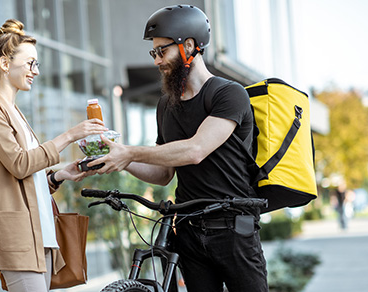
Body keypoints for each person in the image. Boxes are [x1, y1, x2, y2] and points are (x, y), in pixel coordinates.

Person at [89, 5, 268, 292]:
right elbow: (163, 173)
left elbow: (195, 150)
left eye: (163, 51)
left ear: (189, 45)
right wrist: (119, 155)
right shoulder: (166, 104)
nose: (157, 60)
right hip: (188, 229)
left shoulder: (228, 94)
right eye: (154, 52)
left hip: (233, 228)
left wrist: (131, 152)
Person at [0, 19, 107, 292]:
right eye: (30, 63)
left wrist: (58, 175)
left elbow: (25, 181)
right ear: (5, 64)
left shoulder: (14, 112)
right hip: (18, 241)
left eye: (37, 64)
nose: (35, 71)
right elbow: (20, 164)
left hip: (39, 237)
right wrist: (70, 135)